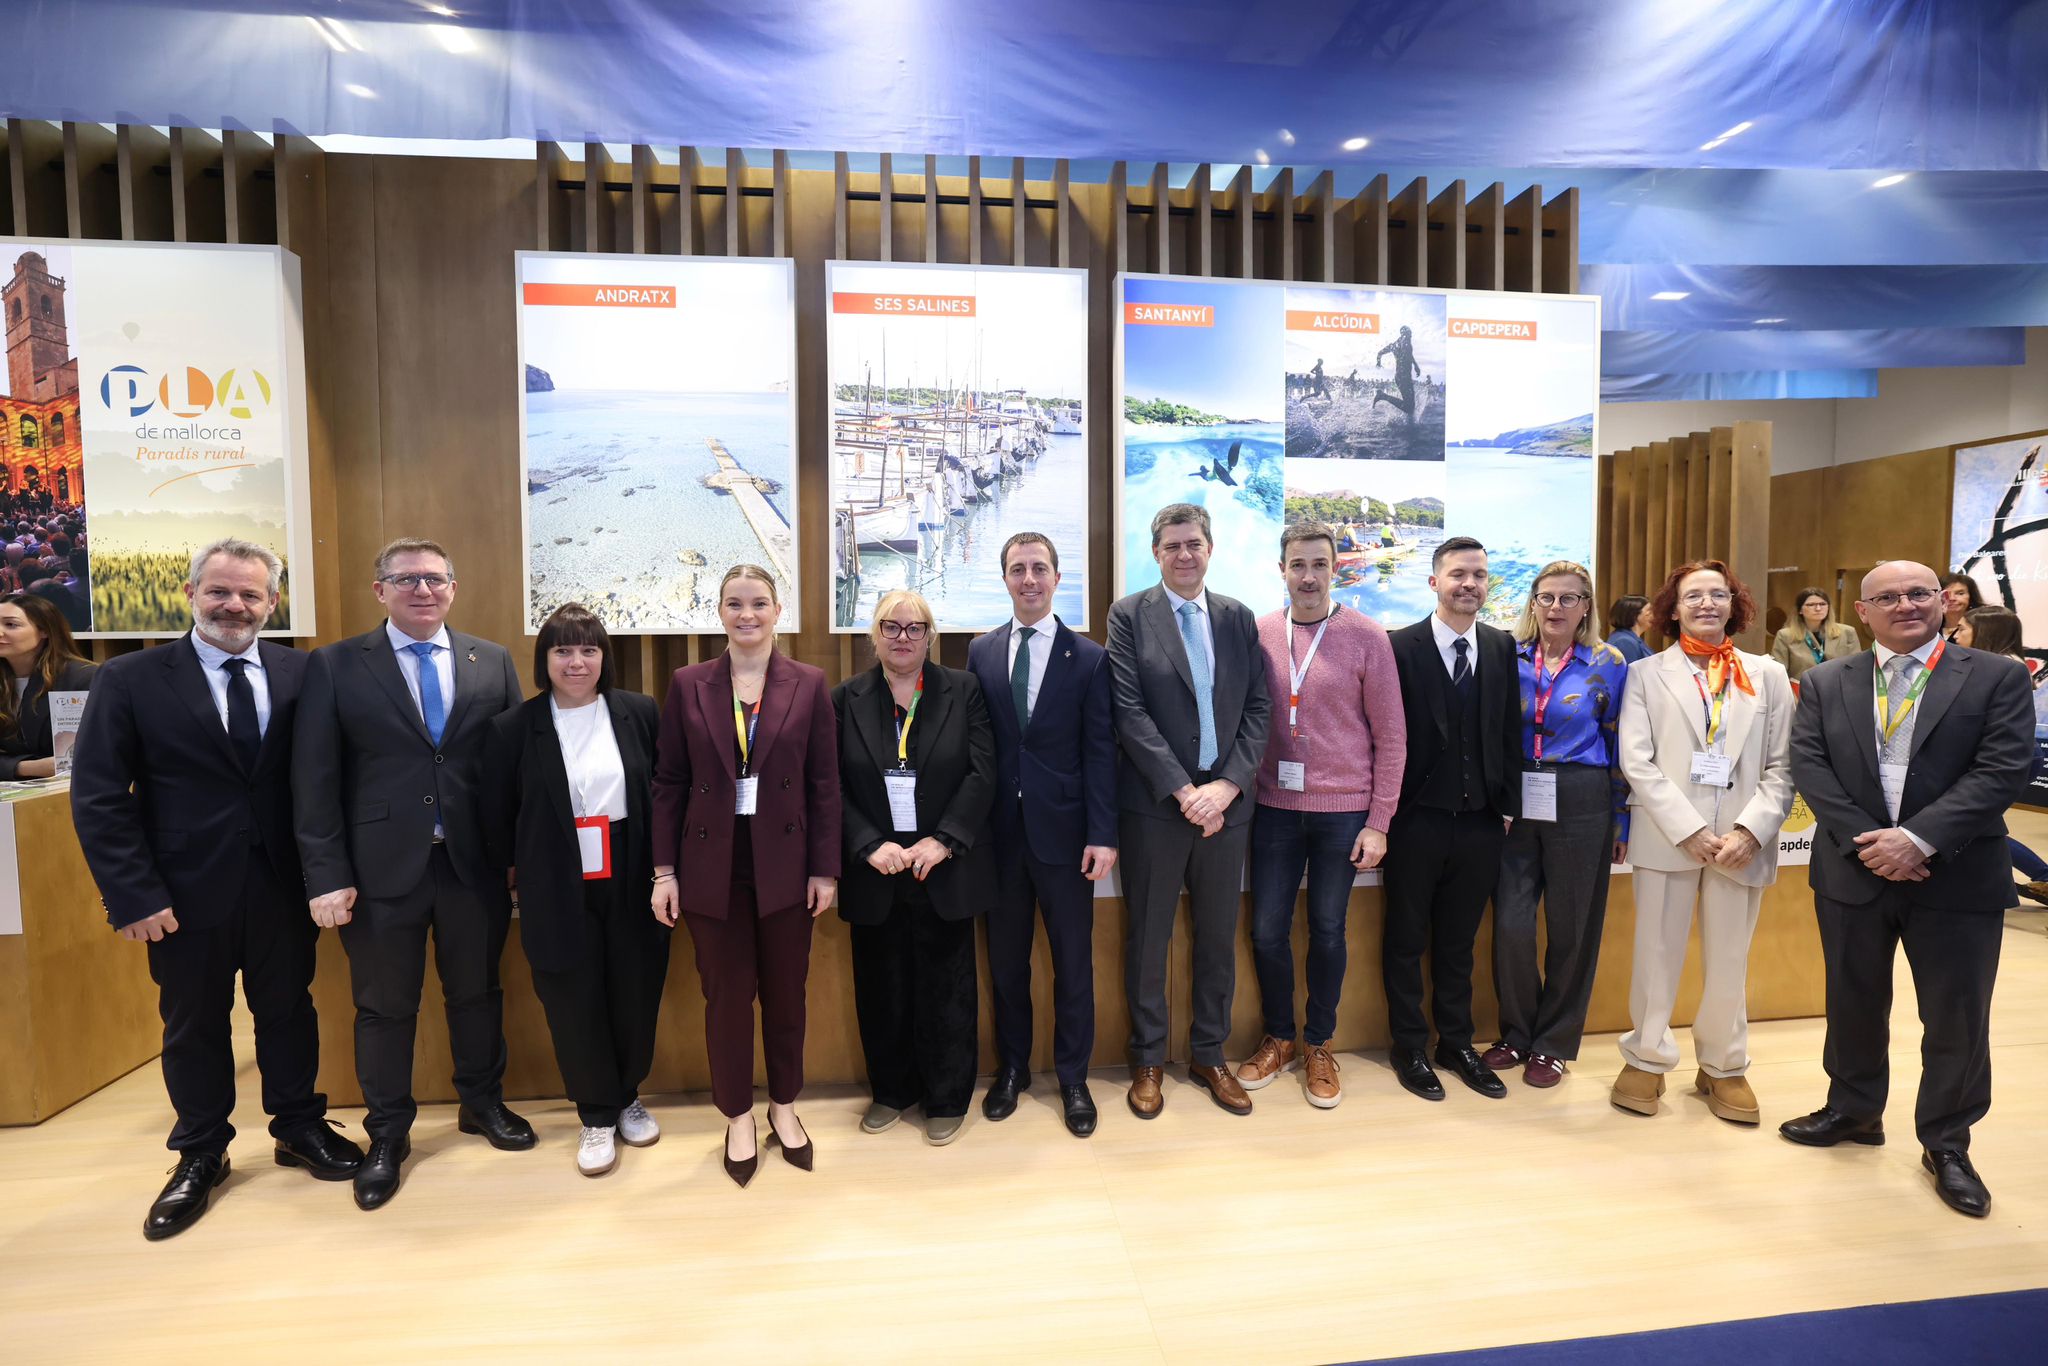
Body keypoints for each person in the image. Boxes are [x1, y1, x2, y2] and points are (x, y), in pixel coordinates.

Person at [70, 539, 361, 1240]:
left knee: (288, 1011)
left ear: (272, 603)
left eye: (251, 595)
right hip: (180, 893)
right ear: (191, 594)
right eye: (220, 592)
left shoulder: (303, 672)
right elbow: (99, 795)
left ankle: (298, 1126)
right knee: (194, 1023)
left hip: (282, 885)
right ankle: (201, 1151)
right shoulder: (131, 678)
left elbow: (327, 779)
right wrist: (133, 895)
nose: (235, 606)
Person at [1781, 562, 2033, 1217]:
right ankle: (1854, 1110)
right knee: (1852, 1002)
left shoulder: (1996, 676)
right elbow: (1810, 764)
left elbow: (2003, 768)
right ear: (1863, 612)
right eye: (1887, 597)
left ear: (1944, 603)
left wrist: (1917, 839)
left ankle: (1947, 1143)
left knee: (1955, 1017)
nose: (1906, 605)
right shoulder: (1827, 681)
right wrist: (1870, 841)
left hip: (1957, 872)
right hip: (1852, 868)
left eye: (1919, 593)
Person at [293, 537, 530, 1211]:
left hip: (472, 864)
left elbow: (512, 767)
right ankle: (388, 1134)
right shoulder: (336, 664)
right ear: (380, 591)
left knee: (477, 993)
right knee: (384, 1007)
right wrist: (324, 873)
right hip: (376, 872)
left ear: (453, 587)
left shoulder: (492, 659)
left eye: (434, 578)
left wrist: (518, 856)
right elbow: (314, 778)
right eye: (406, 580)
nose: (422, 590)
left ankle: (482, 1103)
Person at [653, 566, 839, 1183]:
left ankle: (784, 1106)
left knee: (787, 994)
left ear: (778, 610)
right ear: (720, 612)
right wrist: (663, 872)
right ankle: (736, 1114)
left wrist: (825, 870)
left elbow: (824, 785)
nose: (747, 614)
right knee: (727, 999)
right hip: (712, 868)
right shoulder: (688, 684)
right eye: (735, 604)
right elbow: (669, 782)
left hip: (787, 866)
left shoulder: (809, 683)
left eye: (759, 603)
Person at [482, 603, 667, 1180]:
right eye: (562, 650)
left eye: (588, 649)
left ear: (604, 657)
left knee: (634, 987)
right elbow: (498, 814)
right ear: (545, 659)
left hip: (631, 868)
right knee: (571, 995)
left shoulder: (639, 712)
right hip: (554, 876)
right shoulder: (514, 728)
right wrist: (512, 876)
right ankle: (595, 1113)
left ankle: (627, 1094)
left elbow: (663, 794)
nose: (576, 662)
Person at [1612, 559, 1794, 1124]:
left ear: (1735, 605)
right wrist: (1688, 829)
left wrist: (1751, 830)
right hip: (1669, 836)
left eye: (1719, 594)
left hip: (1742, 843)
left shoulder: (1766, 675)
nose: (1707, 604)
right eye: (1693, 596)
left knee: (1731, 957)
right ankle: (1646, 1056)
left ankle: (1723, 1064)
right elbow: (1636, 761)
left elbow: (1783, 765)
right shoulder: (1645, 674)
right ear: (1673, 609)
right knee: (1655, 951)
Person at [1107, 504, 1270, 1118]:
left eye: (1193, 543)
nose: (1184, 554)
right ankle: (1148, 1059)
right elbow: (1129, 713)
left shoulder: (1236, 617)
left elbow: (1258, 708)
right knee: (1149, 938)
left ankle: (1208, 1053)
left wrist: (1226, 786)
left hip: (1227, 808)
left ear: (1210, 549)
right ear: (1156, 553)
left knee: (1217, 939)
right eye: (1172, 545)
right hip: (1157, 808)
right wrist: (1184, 791)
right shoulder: (1129, 615)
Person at [1236, 521, 1405, 1108]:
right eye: (1298, 565)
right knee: (1266, 930)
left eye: (1319, 565)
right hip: (1274, 809)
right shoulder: (1260, 632)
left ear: (1336, 569)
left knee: (1329, 930)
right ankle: (1280, 1036)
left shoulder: (1367, 636)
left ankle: (1318, 1043)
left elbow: (1392, 736)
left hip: (1344, 810)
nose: (1308, 576)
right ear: (1281, 569)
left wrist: (1379, 822)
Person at [966, 533, 1117, 1137]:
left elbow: (1100, 751)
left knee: (1073, 965)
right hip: (999, 838)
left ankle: (1074, 1077)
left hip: (1067, 837)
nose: (1028, 579)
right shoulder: (981, 651)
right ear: (1005, 578)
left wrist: (1103, 834)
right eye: (1017, 569)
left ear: (1057, 577)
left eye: (1039, 568)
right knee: (1007, 966)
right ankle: (1013, 1070)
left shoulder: (1090, 658)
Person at [833, 589, 995, 1146]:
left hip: (941, 866)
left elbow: (982, 773)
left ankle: (947, 1096)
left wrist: (944, 840)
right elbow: (830, 782)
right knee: (880, 988)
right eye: (891, 626)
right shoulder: (844, 698)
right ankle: (891, 1091)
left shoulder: (964, 690)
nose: (902, 637)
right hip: (875, 868)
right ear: (873, 635)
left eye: (914, 627)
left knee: (948, 989)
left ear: (930, 636)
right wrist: (866, 844)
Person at [1380, 536, 1522, 1102]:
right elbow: (1383, 735)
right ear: (1434, 581)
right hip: (1415, 819)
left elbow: (1508, 730)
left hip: (1482, 821)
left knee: (1459, 942)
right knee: (1405, 939)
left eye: (1479, 575)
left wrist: (1507, 805)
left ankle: (1456, 1043)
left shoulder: (1501, 645)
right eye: (1458, 574)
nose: (1470, 584)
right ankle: (1409, 1046)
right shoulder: (1398, 646)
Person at [1484, 562, 1629, 1088]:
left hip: (1582, 795)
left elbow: (1620, 742)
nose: (1556, 607)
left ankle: (1553, 1044)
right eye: (1546, 597)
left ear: (1586, 606)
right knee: (1512, 925)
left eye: (1569, 598)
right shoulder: (1508, 654)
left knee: (1573, 927)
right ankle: (1517, 1033)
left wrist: (1622, 819)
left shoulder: (1610, 662)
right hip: (1517, 795)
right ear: (1533, 602)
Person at [1951, 605, 2048, 905]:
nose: (1956, 635)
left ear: (1984, 632)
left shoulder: (2003, 668)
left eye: (1962, 629)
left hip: (2009, 756)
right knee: (1976, 826)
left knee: (1978, 825)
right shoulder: (1995, 664)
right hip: (2006, 754)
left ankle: (2043, 876)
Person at [0, 592, 95, 779]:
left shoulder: (84, 678)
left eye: (11, 625)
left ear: (44, 630)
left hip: (71, 787)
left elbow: (95, 751)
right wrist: (28, 768)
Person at [1770, 587, 1861, 685]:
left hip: (1838, 689)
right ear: (1800, 610)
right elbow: (1778, 673)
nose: (1818, 608)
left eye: (1822, 604)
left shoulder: (1847, 632)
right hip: (1801, 691)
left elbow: (1856, 667)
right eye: (1811, 605)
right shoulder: (1785, 636)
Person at [1604, 594, 1655, 665]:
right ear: (1634, 614)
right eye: (1649, 611)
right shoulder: (1624, 641)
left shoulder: (1631, 639)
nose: (1653, 615)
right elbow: (1631, 671)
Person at [1938, 572, 1982, 642]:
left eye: (1960, 593)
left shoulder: (1981, 628)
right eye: (1946, 594)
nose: (1952, 598)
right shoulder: (1930, 628)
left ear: (1971, 597)